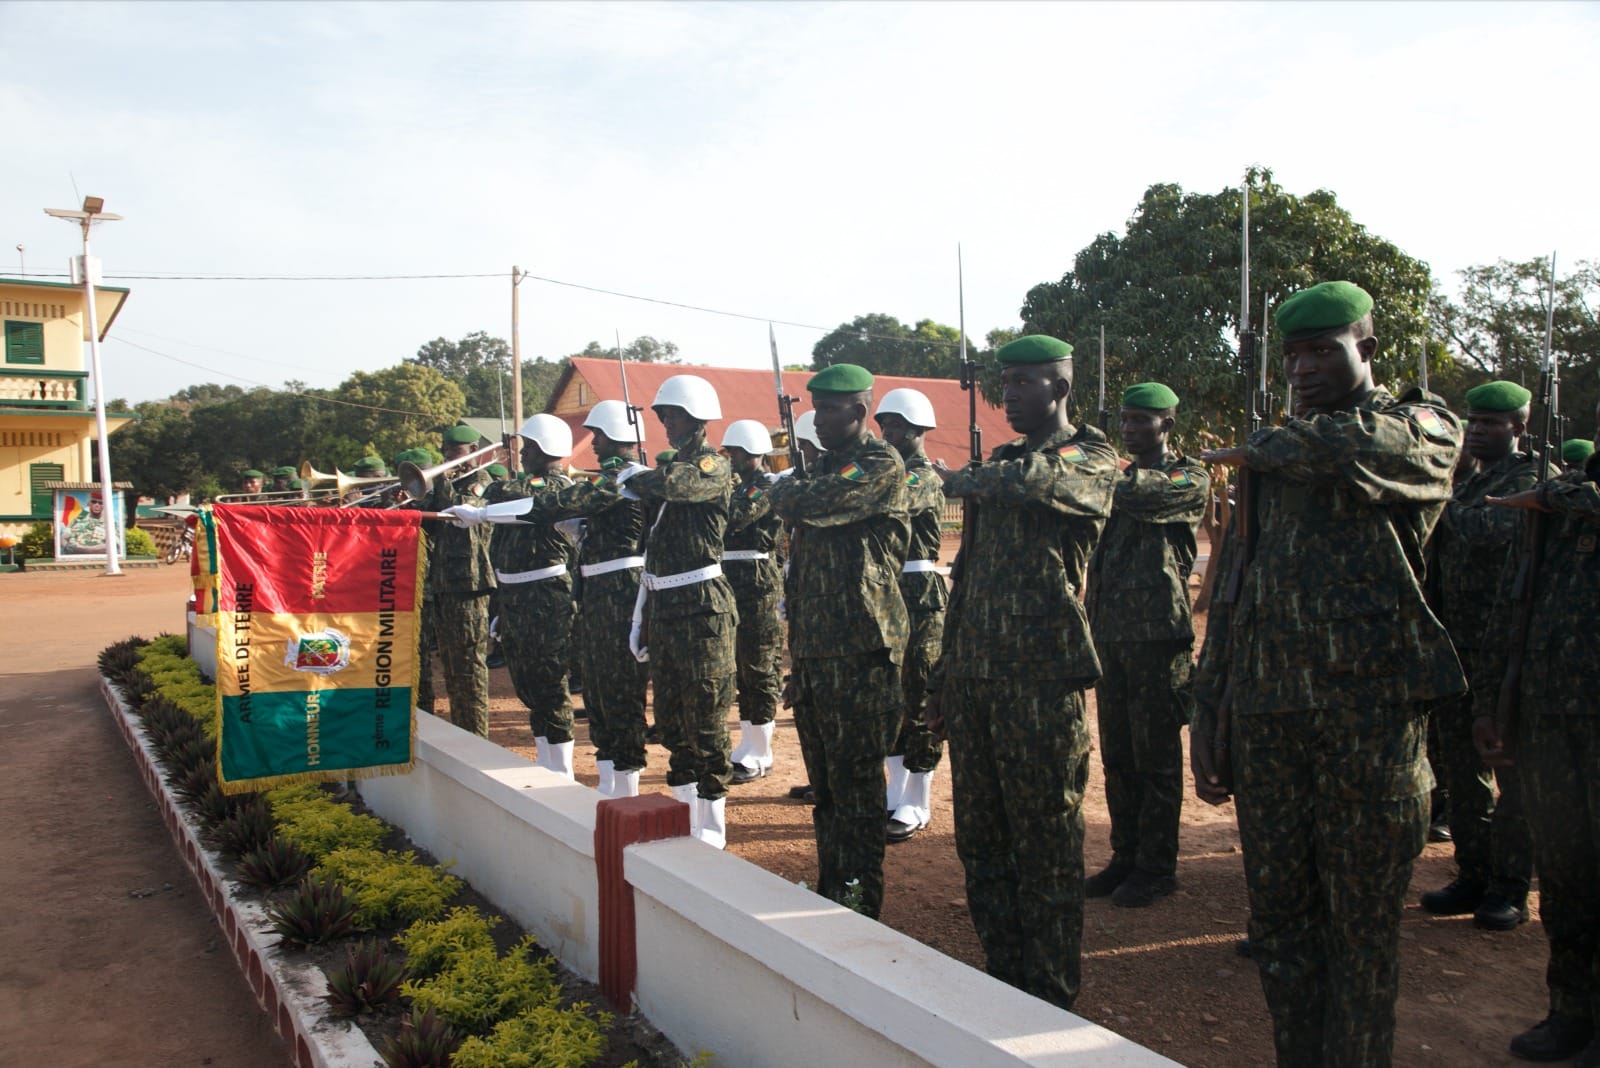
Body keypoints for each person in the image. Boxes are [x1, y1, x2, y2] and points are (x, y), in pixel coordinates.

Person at [1192, 281, 1465, 1066]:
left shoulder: (1420, 425)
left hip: (1369, 724)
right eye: (1293, 356)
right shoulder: (1274, 455)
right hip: (1272, 721)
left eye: (1322, 350)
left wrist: (1263, 449)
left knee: (1361, 937)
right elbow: (1236, 589)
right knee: (1281, 929)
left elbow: (1368, 448)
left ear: (1366, 349)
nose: (1303, 369)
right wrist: (1212, 707)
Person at [925, 334, 1118, 1009]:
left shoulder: (1089, 456)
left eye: (1023, 382)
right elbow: (968, 576)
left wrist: (964, 478)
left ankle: (1051, 993)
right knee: (982, 842)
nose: (1007, 395)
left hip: (1041, 679)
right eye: (1004, 382)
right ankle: (1003, 978)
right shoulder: (1002, 462)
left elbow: (1045, 482)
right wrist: (945, 674)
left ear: (1060, 387)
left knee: (1046, 841)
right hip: (976, 676)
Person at [1474, 401, 1600, 1065]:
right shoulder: (1560, 500)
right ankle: (1571, 1011)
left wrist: (1557, 493)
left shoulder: (1563, 495)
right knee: (1566, 874)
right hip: (1552, 718)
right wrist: (1495, 702)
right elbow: (1514, 602)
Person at [767, 364, 909, 918]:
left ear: (860, 411)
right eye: (815, 408)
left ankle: (860, 905)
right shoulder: (822, 468)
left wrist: (791, 488)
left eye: (829, 409)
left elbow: (806, 503)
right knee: (825, 788)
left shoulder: (880, 464)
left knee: (857, 790)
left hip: (861, 650)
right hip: (816, 651)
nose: (818, 419)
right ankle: (834, 890)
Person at [1421, 381, 1548, 930]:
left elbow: (1488, 531)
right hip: (1456, 641)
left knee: (1509, 771)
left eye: (1489, 424)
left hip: (1505, 647)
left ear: (1518, 427)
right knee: (1461, 765)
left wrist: (1441, 505)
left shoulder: (1532, 481)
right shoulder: (1472, 482)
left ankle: (1509, 887)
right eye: (1471, 422)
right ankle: (1473, 872)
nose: (1475, 431)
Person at [1084, 382, 1209, 907]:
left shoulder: (1187, 476)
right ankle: (1125, 855)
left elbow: (1142, 496)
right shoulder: (1121, 477)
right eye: (1125, 421)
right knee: (1118, 755)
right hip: (1111, 633)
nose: (1130, 429)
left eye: (1141, 420)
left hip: (1159, 636)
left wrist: (1096, 474)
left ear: (1167, 425)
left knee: (1155, 757)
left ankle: (1157, 866)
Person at [616, 375, 737, 848]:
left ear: (696, 417)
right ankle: (685, 815)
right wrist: (643, 617)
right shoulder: (665, 472)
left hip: (702, 608)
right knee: (670, 719)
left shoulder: (711, 464)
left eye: (673, 414)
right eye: (663, 414)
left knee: (706, 717)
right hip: (665, 605)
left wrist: (634, 477)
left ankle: (712, 825)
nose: (666, 421)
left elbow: (677, 484)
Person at [534, 400, 652, 798]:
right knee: (597, 688)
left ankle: (627, 781)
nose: (594, 442)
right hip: (598, 590)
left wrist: (491, 513)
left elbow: (562, 501)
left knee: (621, 688)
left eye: (598, 434)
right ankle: (609, 776)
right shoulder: (611, 479)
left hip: (622, 591)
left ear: (618, 436)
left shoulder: (624, 478)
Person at [872, 387, 948, 842]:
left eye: (896, 425)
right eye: (883, 424)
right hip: (889, 591)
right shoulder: (890, 472)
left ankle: (917, 800)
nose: (887, 432)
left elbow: (894, 499)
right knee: (892, 696)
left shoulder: (922, 477)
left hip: (919, 593)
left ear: (918, 429)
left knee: (918, 695)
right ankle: (896, 791)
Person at [484, 415, 578, 777]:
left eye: (528, 447)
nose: (522, 454)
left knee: (550, 682)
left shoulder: (554, 486)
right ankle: (545, 759)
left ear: (545, 449)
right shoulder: (526, 489)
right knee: (527, 684)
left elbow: (501, 491)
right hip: (515, 595)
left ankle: (562, 768)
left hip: (545, 595)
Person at [720, 419, 786, 785]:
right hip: (731, 576)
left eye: (738, 452)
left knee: (758, 663)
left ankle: (761, 750)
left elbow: (735, 517)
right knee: (739, 664)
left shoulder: (765, 486)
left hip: (756, 579)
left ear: (755, 453)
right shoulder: (738, 486)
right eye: (730, 451)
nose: (732, 457)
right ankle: (748, 743)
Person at [420, 424, 496, 737]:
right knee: (451, 665)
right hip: (443, 583)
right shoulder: (450, 483)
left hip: (469, 582)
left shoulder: (482, 482)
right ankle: (460, 734)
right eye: (446, 450)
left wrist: (439, 478)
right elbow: (427, 523)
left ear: (473, 450)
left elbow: (459, 514)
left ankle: (476, 737)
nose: (448, 455)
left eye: (454, 450)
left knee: (469, 667)